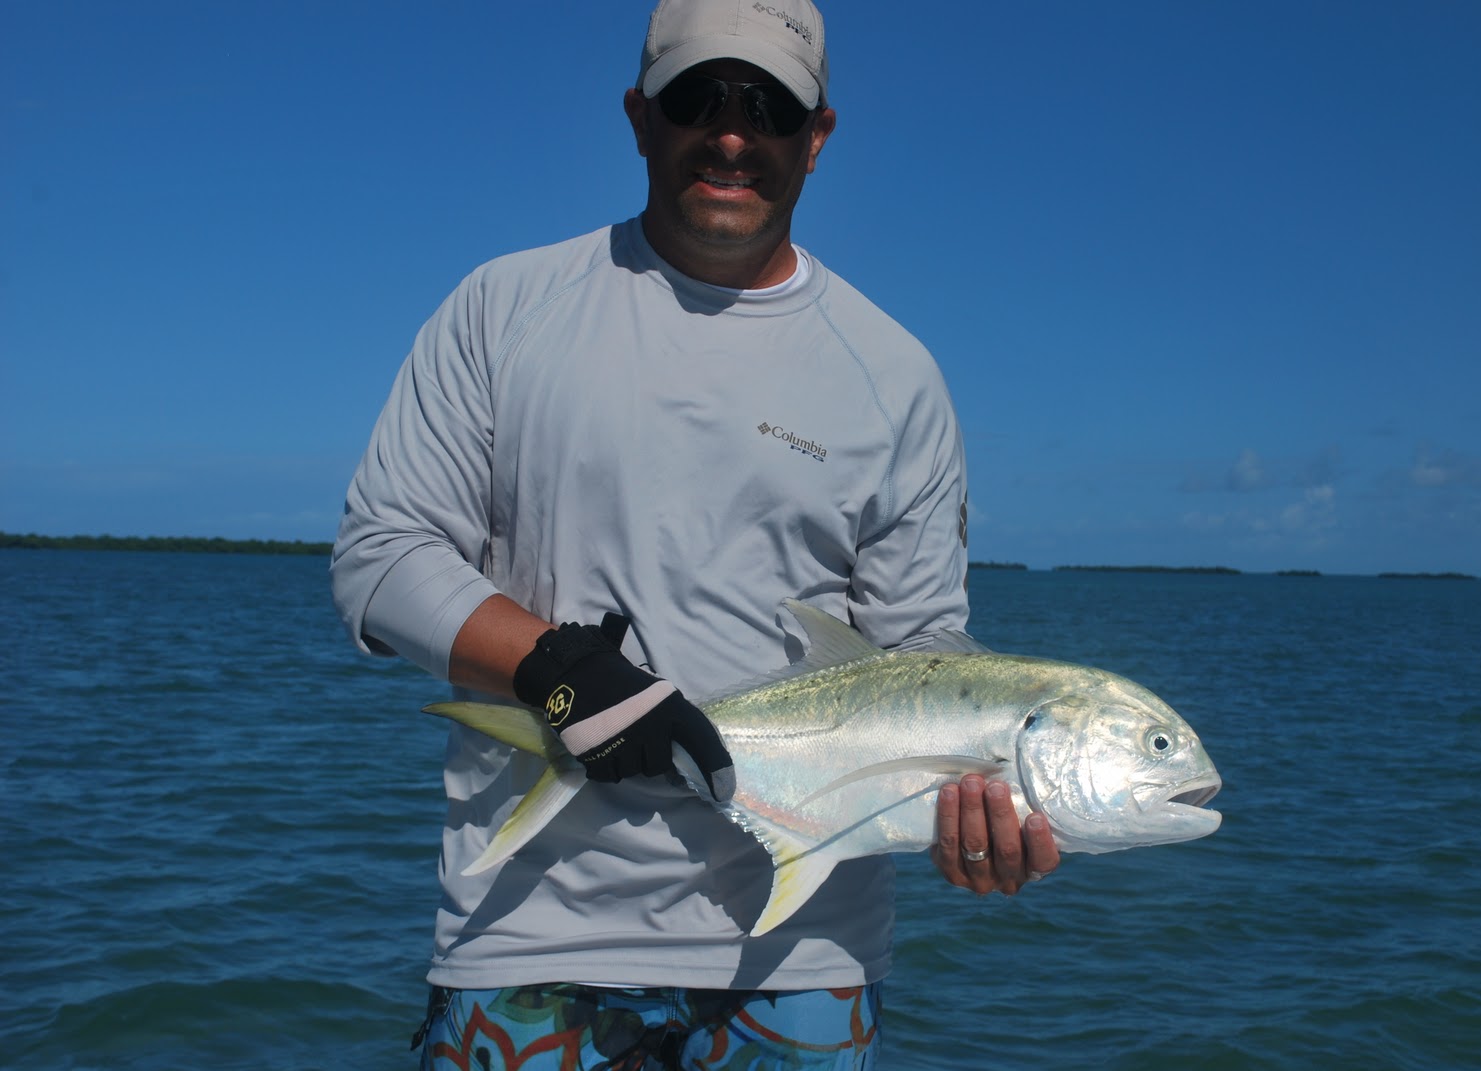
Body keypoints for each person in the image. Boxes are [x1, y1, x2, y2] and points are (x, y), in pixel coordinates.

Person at [330, 1, 1059, 1067]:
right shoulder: (503, 308)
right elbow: (381, 556)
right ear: (638, 118)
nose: (731, 132)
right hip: (528, 937)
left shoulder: (893, 376)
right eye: (697, 98)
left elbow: (919, 660)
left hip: (801, 959)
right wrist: (555, 671)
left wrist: (983, 809)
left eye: (767, 106)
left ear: (815, 138)